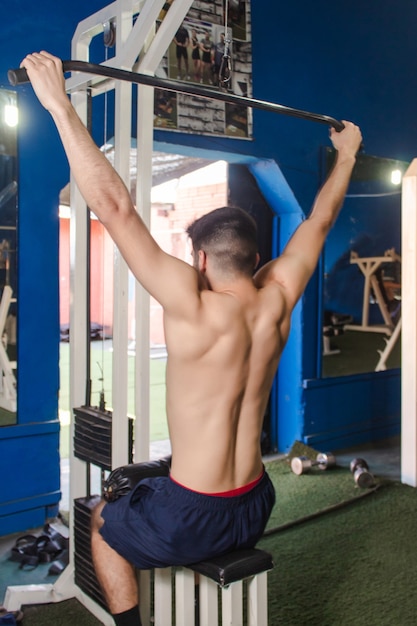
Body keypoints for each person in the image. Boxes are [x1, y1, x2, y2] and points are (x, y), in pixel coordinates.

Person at [20, 51, 362, 626]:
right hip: (255, 502)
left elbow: (116, 209)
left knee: (104, 525)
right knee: (151, 483)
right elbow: (319, 223)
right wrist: (347, 154)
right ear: (255, 257)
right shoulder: (278, 293)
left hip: (193, 513)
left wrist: (57, 103)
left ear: (201, 258)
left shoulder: (193, 301)